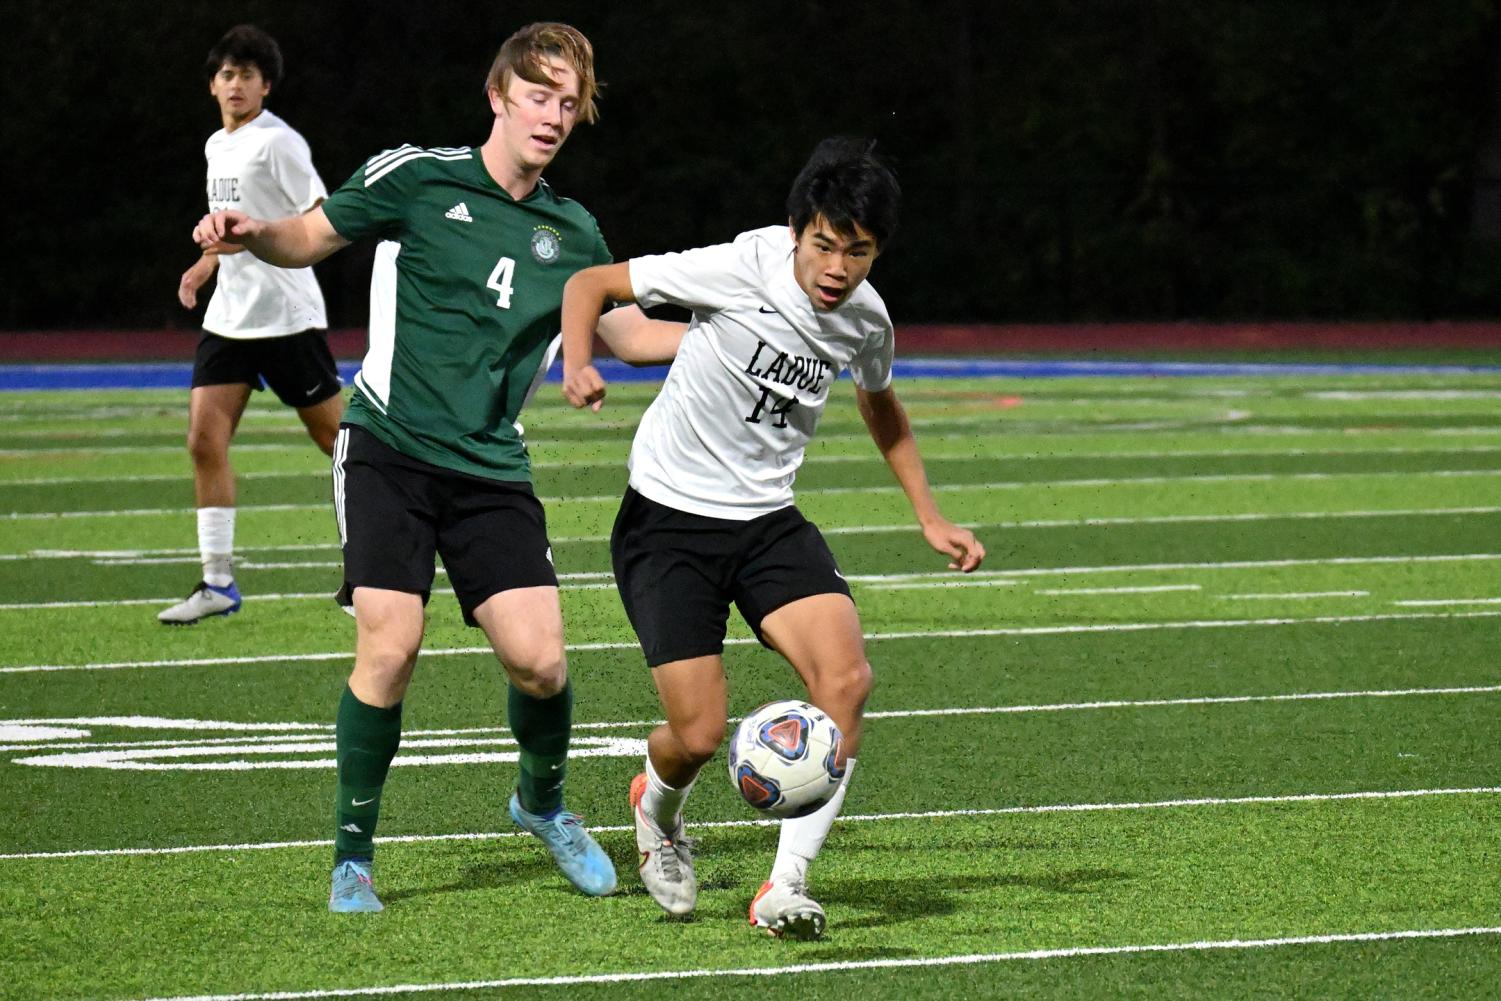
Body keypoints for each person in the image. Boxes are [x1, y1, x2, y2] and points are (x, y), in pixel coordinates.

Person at [192, 22, 684, 913]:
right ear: (497, 96)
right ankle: (352, 856)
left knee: (540, 663)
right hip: (387, 447)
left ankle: (540, 805)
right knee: (392, 644)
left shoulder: (571, 231)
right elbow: (306, 237)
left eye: (569, 103)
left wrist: (731, 332)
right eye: (538, 95)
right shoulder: (417, 176)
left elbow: (627, 333)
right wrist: (249, 231)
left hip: (490, 465)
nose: (554, 116)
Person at [558, 137, 986, 938]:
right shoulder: (738, 266)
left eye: (856, 251)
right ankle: (655, 806)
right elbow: (592, 284)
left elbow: (880, 405)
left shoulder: (865, 319)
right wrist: (579, 361)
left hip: (766, 521)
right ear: (795, 230)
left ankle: (783, 884)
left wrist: (929, 514)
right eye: (823, 244)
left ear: (875, 252)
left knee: (847, 678)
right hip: (667, 521)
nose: (835, 266)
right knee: (697, 733)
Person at [161, 24, 343, 625]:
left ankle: (371, 570)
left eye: (248, 75)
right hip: (231, 319)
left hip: (285, 314)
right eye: (227, 75)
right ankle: (217, 583)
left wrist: (254, 244)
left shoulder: (278, 143)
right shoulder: (218, 145)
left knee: (344, 447)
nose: (236, 85)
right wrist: (202, 266)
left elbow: (320, 215)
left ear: (266, 86)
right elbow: (228, 231)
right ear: (213, 84)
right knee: (203, 441)